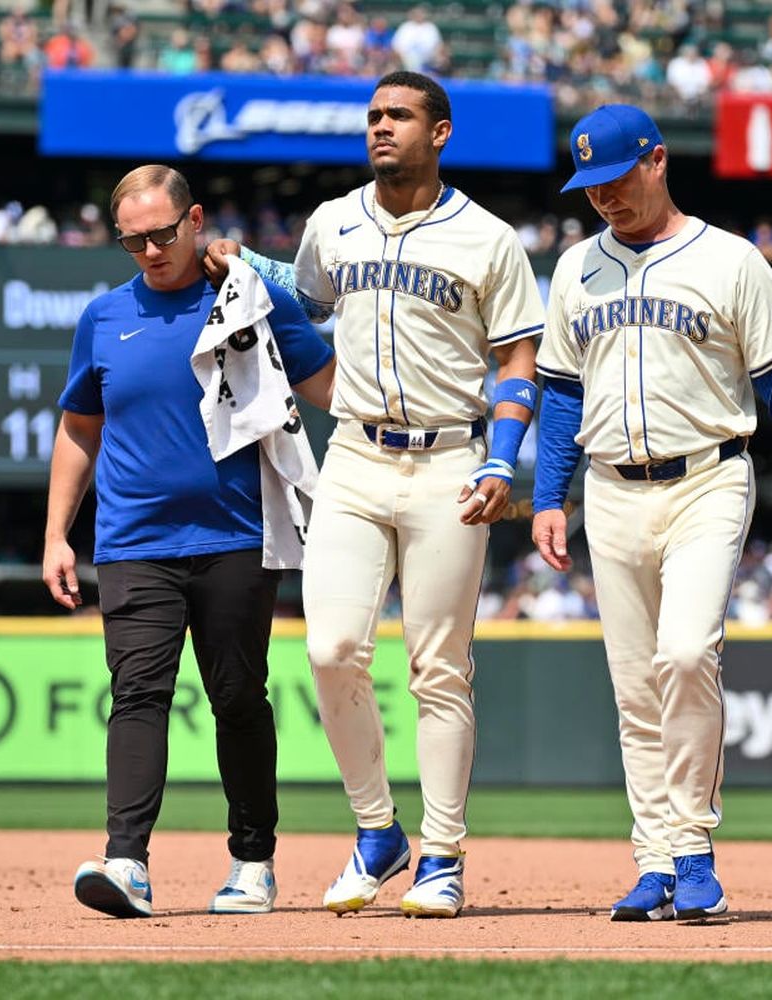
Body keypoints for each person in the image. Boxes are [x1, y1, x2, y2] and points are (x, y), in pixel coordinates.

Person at [204, 71, 543, 918]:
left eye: (398, 116)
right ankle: (377, 832)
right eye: (373, 116)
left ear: (441, 132)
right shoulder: (335, 221)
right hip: (353, 454)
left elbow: (516, 362)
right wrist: (244, 261)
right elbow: (308, 297)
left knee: (439, 669)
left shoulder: (489, 238)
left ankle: (444, 855)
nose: (380, 127)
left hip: (450, 460)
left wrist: (504, 460)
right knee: (330, 651)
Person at [530, 105, 772, 922]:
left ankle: (693, 846)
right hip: (608, 488)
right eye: (588, 186)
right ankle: (655, 862)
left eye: (612, 179)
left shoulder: (730, 259)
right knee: (635, 688)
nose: (600, 198)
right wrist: (548, 495)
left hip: (708, 478)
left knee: (684, 655)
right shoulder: (576, 268)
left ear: (657, 160)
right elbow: (562, 396)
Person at [43, 164, 335, 919]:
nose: (148, 251)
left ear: (195, 219)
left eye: (161, 234)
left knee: (238, 697)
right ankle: (127, 862)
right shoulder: (104, 318)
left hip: (238, 535)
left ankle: (252, 863)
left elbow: (327, 383)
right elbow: (80, 427)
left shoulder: (244, 298)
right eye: (132, 239)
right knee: (137, 692)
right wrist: (56, 534)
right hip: (134, 540)